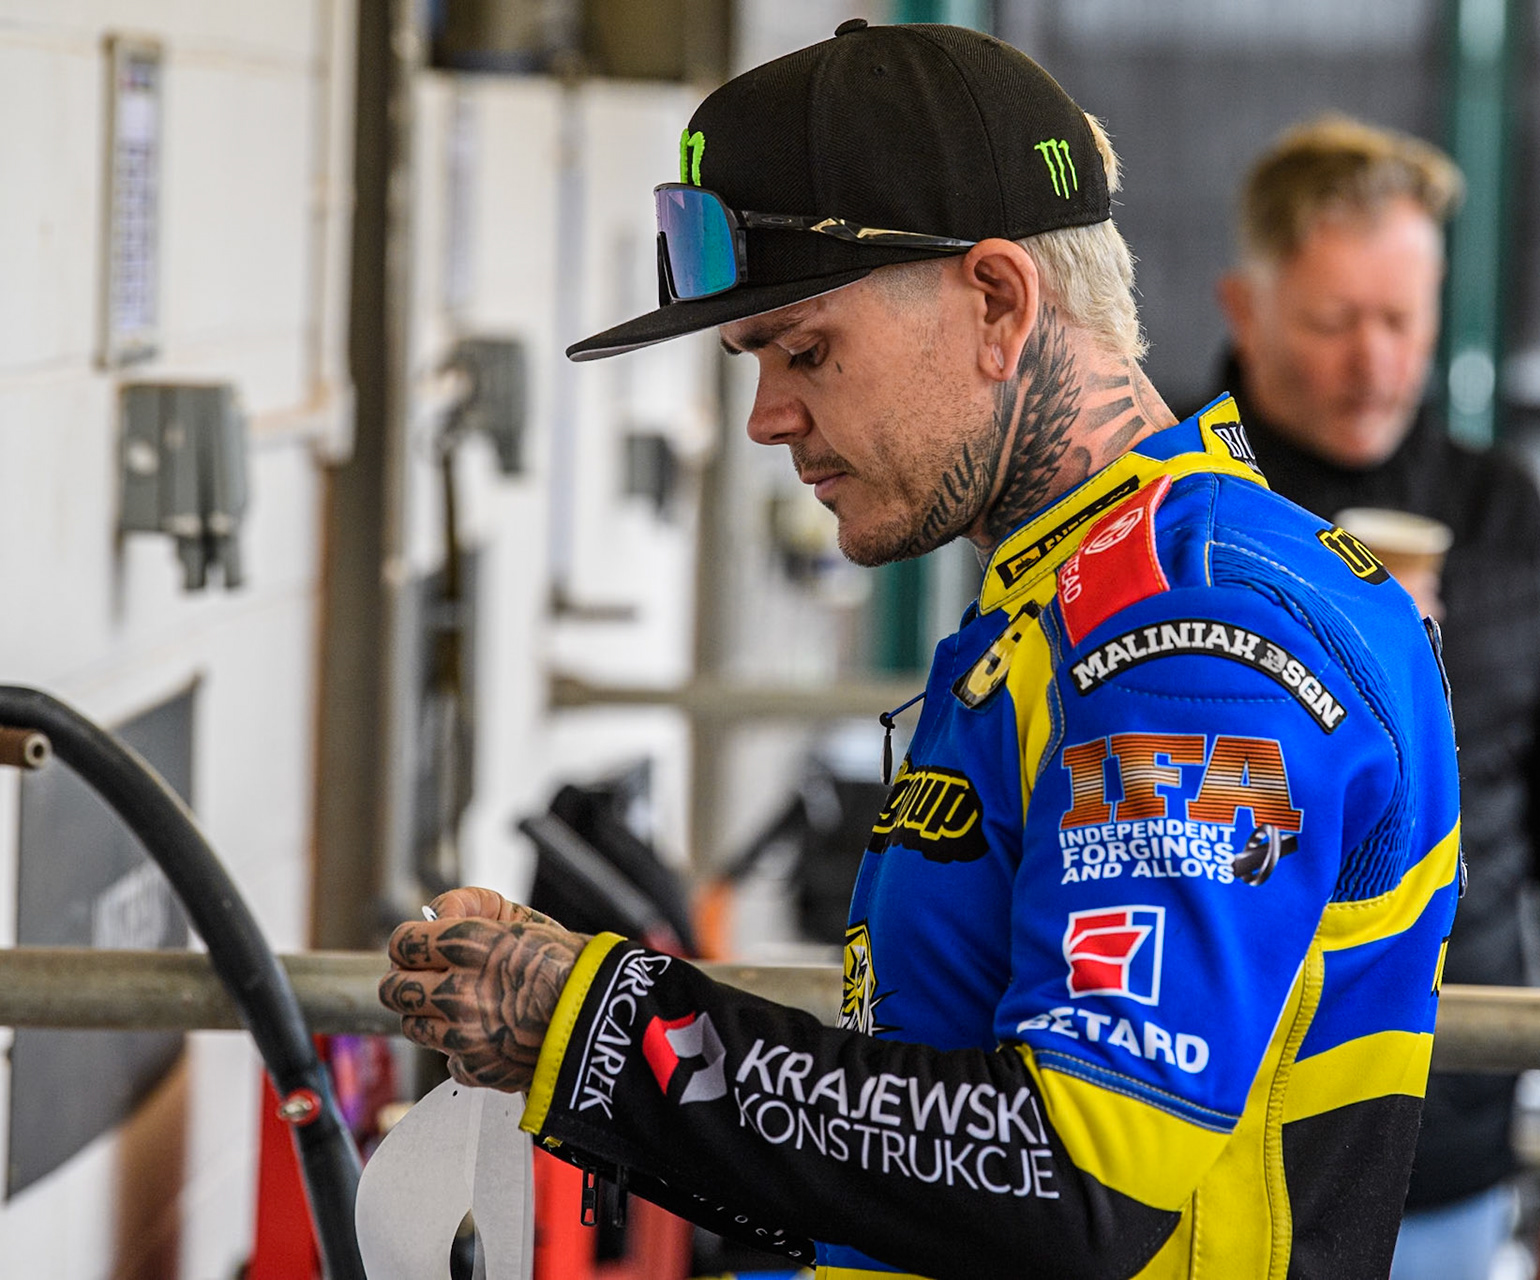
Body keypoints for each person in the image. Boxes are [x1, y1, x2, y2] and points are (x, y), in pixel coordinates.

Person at [382, 25, 1459, 1279]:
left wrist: (601, 1026)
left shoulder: (1195, 642)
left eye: (809, 347)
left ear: (998, 301)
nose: (768, 415)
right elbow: (937, 1140)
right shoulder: (1069, 599)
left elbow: (1075, 1171)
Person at [1213, 114, 1540, 1280]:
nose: (1375, 362)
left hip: (1451, 1149)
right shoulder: (1166, 508)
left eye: (1402, 321)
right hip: (1197, 1141)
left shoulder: (1506, 511)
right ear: (1244, 307)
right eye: (1333, 321)